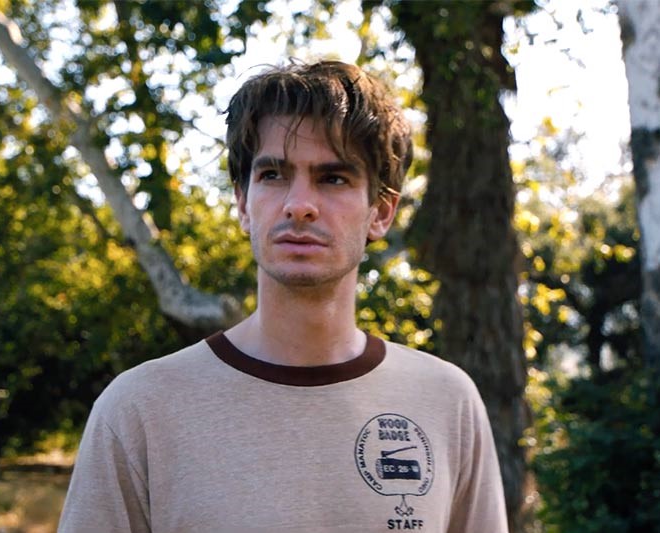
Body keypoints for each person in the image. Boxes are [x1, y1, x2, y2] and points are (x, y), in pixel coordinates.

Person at [58, 60, 508, 533]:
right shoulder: (138, 409)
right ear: (243, 203)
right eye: (273, 174)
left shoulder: (447, 400)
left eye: (333, 178)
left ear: (380, 212)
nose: (299, 205)